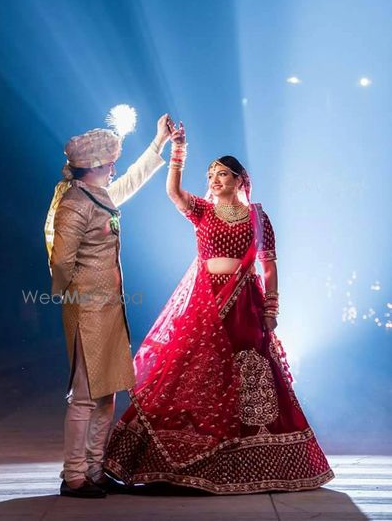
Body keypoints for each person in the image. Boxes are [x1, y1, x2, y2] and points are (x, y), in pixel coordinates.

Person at [105, 121, 334, 494]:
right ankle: (166, 460)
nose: (214, 179)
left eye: (222, 174)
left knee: (249, 371)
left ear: (240, 179)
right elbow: (173, 191)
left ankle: (254, 457)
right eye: (210, 174)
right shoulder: (202, 211)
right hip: (205, 302)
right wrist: (179, 149)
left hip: (244, 301)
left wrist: (272, 308)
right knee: (191, 370)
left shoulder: (258, 216)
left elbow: (269, 264)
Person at [45, 108, 171, 498]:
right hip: (88, 310)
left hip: (110, 310)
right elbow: (62, 262)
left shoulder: (98, 196)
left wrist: (158, 143)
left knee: (107, 391)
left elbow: (133, 179)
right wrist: (75, 298)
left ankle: (95, 469)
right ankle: (74, 475)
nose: (116, 165)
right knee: (84, 394)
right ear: (96, 165)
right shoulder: (74, 204)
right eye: (112, 160)